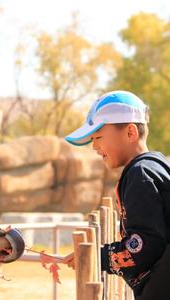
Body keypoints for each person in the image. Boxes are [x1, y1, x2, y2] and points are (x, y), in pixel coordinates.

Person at [64, 90, 170, 300]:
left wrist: (94, 256)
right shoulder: (158, 166)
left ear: (130, 132)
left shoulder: (140, 174)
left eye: (99, 137)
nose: (94, 146)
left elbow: (143, 247)